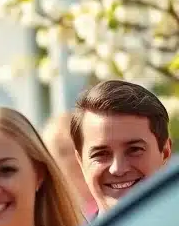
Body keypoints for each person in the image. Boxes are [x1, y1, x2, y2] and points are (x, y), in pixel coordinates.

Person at [71, 79, 172, 215]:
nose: (118, 169)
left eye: (134, 150)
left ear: (165, 152)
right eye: (100, 154)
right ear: (80, 161)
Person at [41, 112, 97, 218]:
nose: (75, 158)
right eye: (63, 151)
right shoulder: (51, 220)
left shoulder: (123, 199)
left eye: (79, 146)